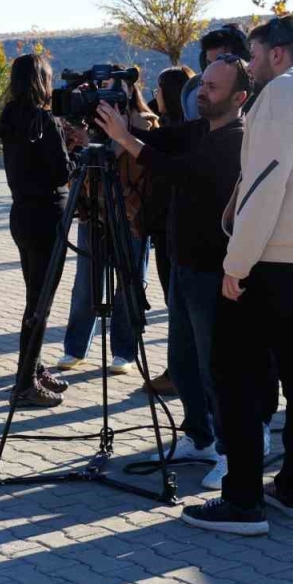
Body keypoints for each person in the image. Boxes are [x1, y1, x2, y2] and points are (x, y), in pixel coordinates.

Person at [182, 15, 293, 536]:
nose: (249, 63)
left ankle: (242, 501)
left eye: (255, 54)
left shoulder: (284, 95)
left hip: (273, 261)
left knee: (235, 375)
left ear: (279, 54)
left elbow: (264, 186)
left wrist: (236, 265)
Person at [97, 57, 249, 490]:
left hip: (211, 270)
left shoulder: (236, 139)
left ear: (238, 97)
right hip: (182, 264)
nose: (203, 92)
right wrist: (122, 113)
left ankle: (229, 452)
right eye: (203, 84)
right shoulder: (200, 129)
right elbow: (160, 141)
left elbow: (176, 169)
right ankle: (199, 438)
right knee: (183, 362)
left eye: (214, 88)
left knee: (215, 367)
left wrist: (124, 138)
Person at [58, 71, 156, 376]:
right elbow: (79, 169)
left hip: (130, 215)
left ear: (129, 90)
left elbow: (142, 162)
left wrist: (119, 135)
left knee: (129, 283)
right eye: (101, 89)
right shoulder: (91, 125)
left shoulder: (145, 122)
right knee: (86, 284)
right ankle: (75, 348)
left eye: (113, 88)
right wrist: (80, 139)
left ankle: (124, 351)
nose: (106, 96)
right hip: (94, 212)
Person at [0, 53, 80, 407]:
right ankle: (24, 383)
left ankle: (32, 366)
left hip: (23, 215)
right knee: (40, 303)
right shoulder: (44, 120)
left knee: (35, 297)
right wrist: (77, 149)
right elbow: (63, 172)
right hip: (47, 217)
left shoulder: (11, 116)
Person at [139, 65, 196, 399]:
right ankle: (181, 370)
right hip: (166, 230)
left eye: (158, 89)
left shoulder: (177, 135)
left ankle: (180, 373)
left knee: (179, 307)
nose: (154, 95)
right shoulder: (181, 129)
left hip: (171, 232)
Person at [179, 24, 250, 122]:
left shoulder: (264, 98)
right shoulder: (193, 94)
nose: (213, 69)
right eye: (209, 64)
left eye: (221, 61)